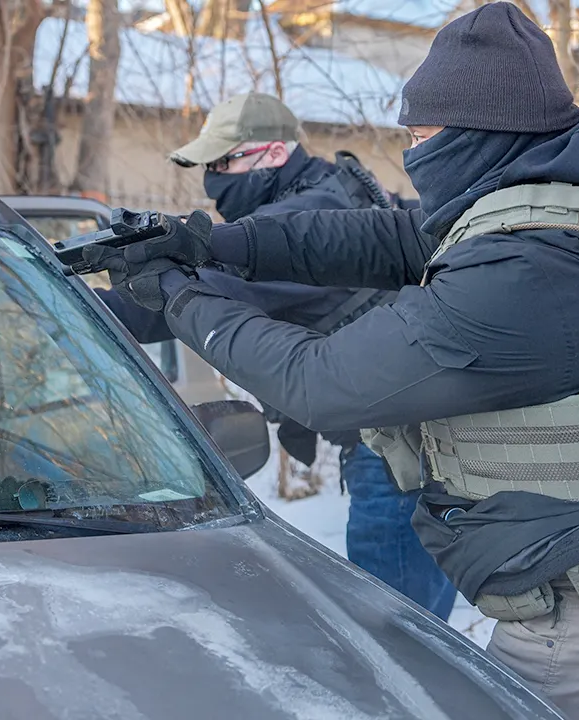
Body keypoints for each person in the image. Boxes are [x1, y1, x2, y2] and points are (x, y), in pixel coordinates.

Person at [80, 4, 579, 717]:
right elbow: (395, 236)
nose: (413, 151)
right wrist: (210, 243)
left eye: (421, 135)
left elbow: (320, 382)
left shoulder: (531, 274)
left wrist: (177, 297)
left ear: (478, 131)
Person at [94, 91, 457, 619]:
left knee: (395, 633)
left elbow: (188, 296)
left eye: (225, 161)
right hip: (414, 440)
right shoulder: (333, 190)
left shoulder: (313, 213)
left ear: (274, 154)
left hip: (399, 452)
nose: (214, 178)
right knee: (418, 626)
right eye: (208, 165)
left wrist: (62, 302)